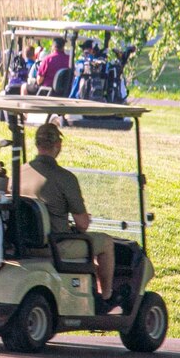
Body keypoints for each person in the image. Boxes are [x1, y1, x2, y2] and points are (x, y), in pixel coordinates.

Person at [17, 123, 114, 299]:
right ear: (58, 145)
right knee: (106, 242)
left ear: (37, 144)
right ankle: (106, 297)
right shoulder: (65, 178)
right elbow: (82, 224)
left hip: (22, 245)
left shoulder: (18, 174)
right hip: (56, 246)